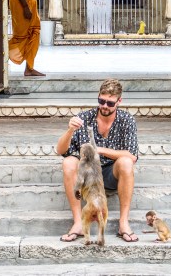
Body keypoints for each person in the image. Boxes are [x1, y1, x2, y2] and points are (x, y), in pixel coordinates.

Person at [57, 78, 139, 243]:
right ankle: (78, 222)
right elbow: (60, 150)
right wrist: (70, 130)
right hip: (87, 175)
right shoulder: (84, 117)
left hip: (110, 174)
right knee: (68, 163)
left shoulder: (126, 120)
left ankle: (123, 223)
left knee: (126, 163)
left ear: (119, 101)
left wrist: (99, 149)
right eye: (101, 101)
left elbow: (132, 156)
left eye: (110, 103)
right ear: (98, 97)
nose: (105, 106)